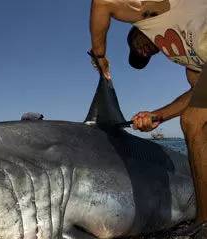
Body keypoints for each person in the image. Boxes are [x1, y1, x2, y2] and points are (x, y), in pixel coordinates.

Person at [89, 0, 207, 223]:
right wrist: (157, 116)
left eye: (137, 47)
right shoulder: (187, 62)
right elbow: (198, 96)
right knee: (197, 122)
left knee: (192, 121)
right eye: (145, 57)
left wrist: (100, 55)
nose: (143, 53)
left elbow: (103, 2)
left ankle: (203, 226)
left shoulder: (152, 12)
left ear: (137, 30)